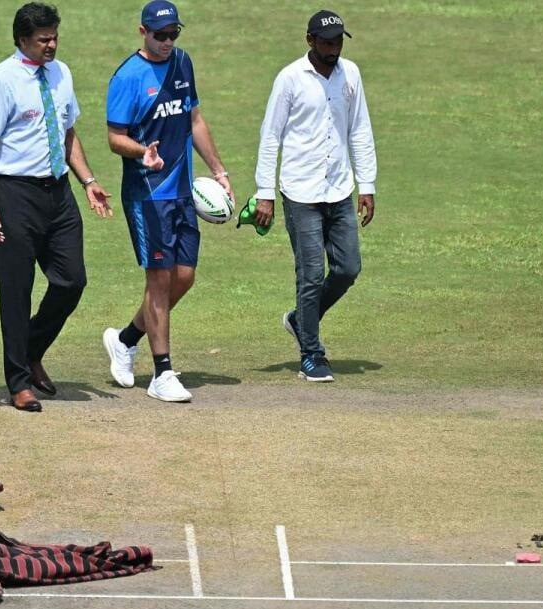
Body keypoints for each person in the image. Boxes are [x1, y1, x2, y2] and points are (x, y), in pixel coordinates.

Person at [0, 3, 113, 413]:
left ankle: (31, 349)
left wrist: (89, 181)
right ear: (22, 39)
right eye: (43, 39)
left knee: (72, 281)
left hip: (59, 193)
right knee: (15, 292)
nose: (51, 45)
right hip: (14, 195)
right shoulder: (2, 80)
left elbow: (68, 132)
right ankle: (18, 382)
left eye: (54, 37)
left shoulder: (61, 73)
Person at [102, 0, 233, 403]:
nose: (168, 42)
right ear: (143, 32)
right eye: (160, 35)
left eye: (174, 34)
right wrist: (142, 152)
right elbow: (114, 137)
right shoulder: (127, 77)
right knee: (158, 281)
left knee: (184, 277)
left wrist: (219, 171)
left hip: (182, 192)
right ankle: (162, 373)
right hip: (148, 194)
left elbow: (194, 120)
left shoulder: (183, 64)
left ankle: (125, 340)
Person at [253, 10, 376, 383]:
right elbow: (270, 135)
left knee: (348, 268)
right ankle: (312, 353)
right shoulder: (290, 79)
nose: (333, 49)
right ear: (310, 41)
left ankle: (298, 320)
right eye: (326, 42)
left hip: (339, 187)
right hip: (300, 191)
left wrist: (366, 184)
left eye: (338, 41)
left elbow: (359, 129)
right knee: (310, 275)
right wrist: (264, 193)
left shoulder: (350, 75)